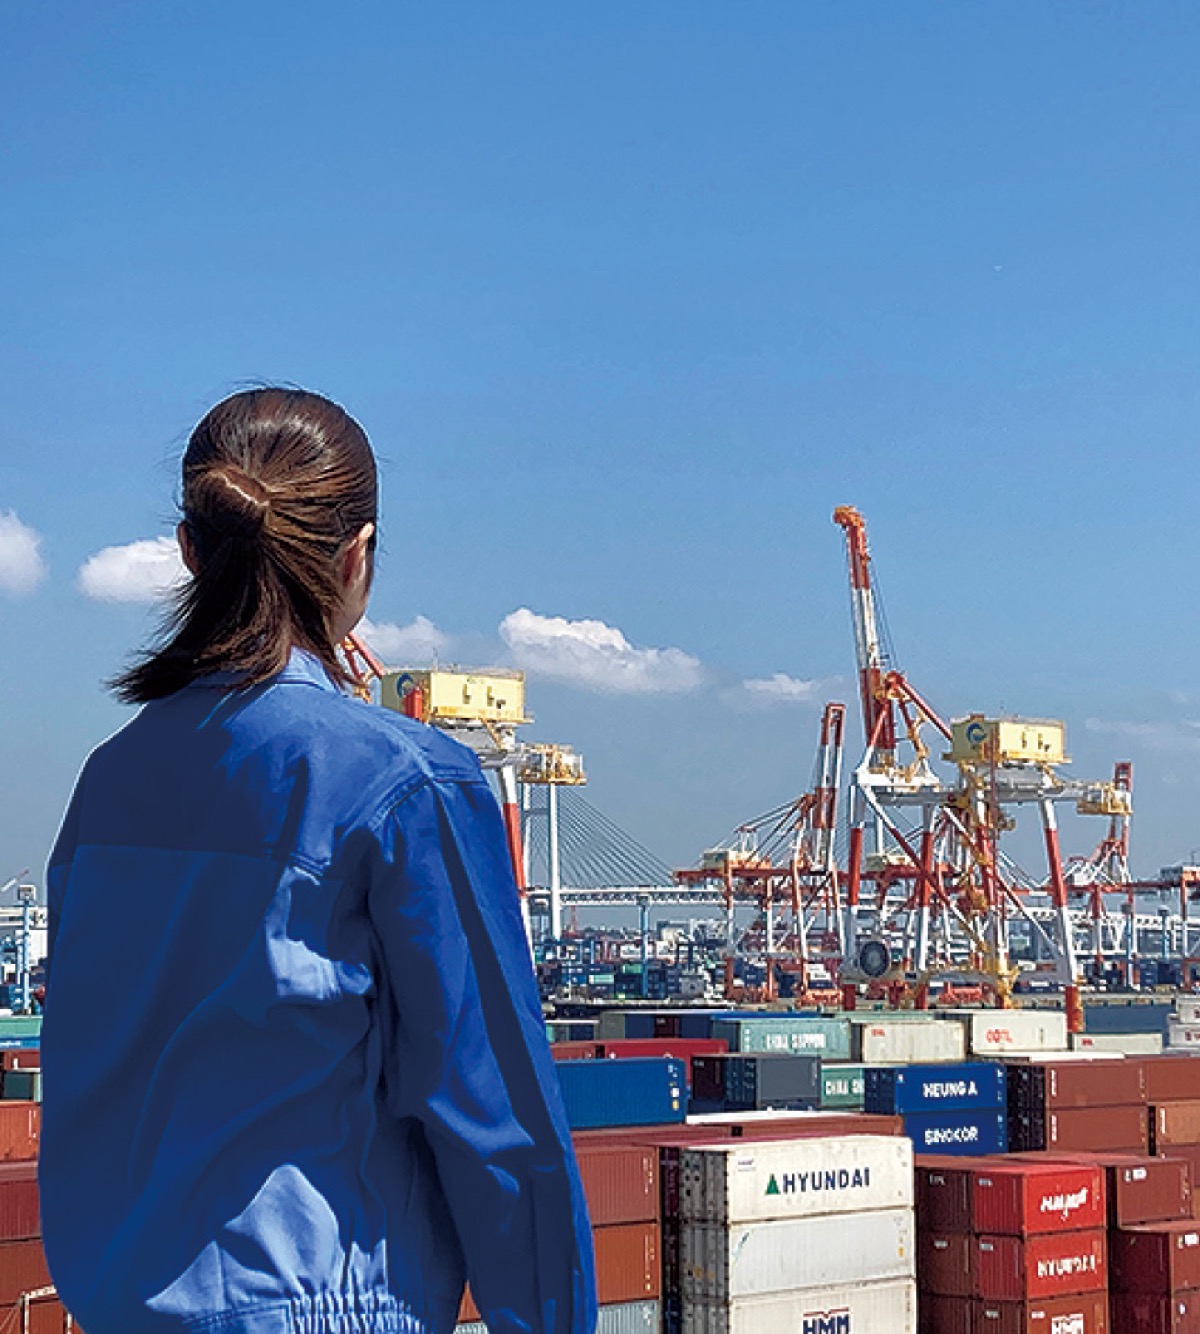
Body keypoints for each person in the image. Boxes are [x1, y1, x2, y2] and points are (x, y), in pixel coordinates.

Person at [39, 388, 597, 1334]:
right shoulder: (409, 783)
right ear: (357, 555)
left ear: (189, 549)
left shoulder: (108, 783)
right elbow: (499, 1129)